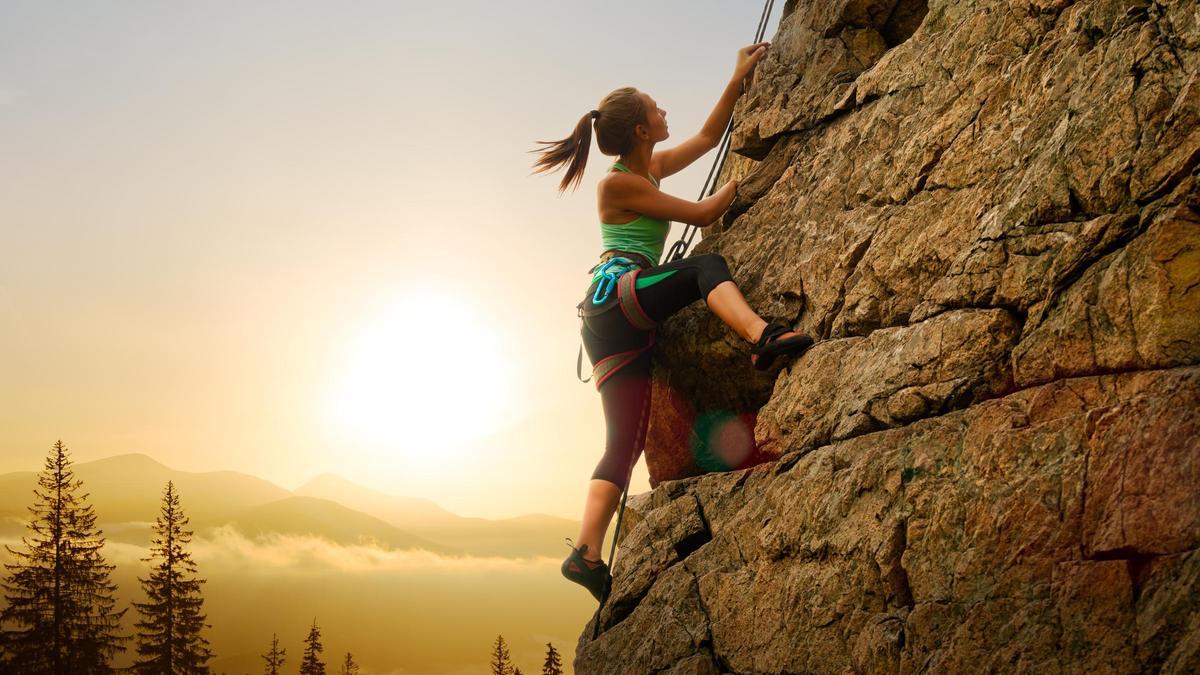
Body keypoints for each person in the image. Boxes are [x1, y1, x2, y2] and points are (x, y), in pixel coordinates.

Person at [530, 42, 814, 603]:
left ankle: (585, 554)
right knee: (703, 266)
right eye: (657, 109)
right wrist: (764, 175)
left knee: (626, 443)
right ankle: (761, 335)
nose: (665, 113)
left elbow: (708, 141)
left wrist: (736, 79)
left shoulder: (647, 169)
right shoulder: (619, 184)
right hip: (620, 296)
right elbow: (707, 214)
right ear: (640, 129)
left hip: (611, 319)